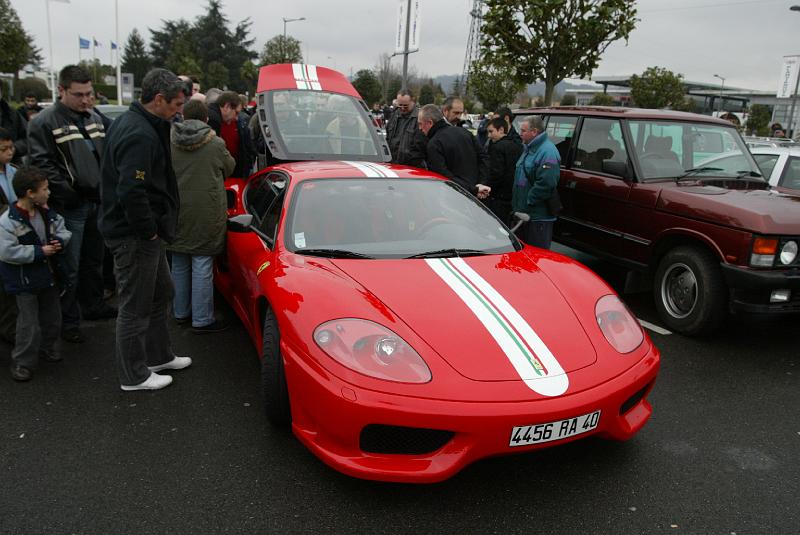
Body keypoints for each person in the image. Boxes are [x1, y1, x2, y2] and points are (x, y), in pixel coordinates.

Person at [99, 67, 190, 392]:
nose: (180, 111)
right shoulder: (138, 133)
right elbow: (130, 191)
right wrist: (148, 230)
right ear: (158, 99)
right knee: (135, 304)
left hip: (144, 232)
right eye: (176, 104)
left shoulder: (144, 123)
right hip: (134, 235)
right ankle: (134, 375)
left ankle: (158, 355)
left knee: (161, 292)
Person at [27, 65, 116, 344]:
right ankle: (68, 322)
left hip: (97, 203)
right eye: (79, 95)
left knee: (94, 260)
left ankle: (93, 305)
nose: (86, 100)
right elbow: (43, 165)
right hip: (71, 207)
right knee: (70, 266)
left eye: (89, 93)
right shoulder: (44, 122)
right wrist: (70, 195)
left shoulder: (95, 116)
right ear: (61, 90)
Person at [167, 99, 234, 333]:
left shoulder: (169, 140)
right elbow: (230, 167)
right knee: (202, 264)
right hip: (206, 210)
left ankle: (180, 311)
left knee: (179, 263)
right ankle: (202, 318)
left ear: (183, 116)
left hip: (177, 210)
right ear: (206, 118)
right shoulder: (214, 143)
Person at [0, 167, 71, 381]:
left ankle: (49, 347)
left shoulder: (46, 212)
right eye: (44, 189)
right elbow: (6, 251)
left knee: (52, 317)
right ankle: (23, 362)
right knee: (28, 324)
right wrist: (40, 251)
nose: (48, 193)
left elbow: (63, 229)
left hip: (47, 276)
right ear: (30, 193)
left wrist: (61, 240)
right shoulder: (8, 221)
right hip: (24, 280)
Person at [417, 104, 489, 198]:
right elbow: (484, 158)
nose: (420, 128)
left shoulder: (434, 144)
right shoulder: (465, 132)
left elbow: (444, 176)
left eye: (420, 124)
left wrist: (473, 189)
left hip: (454, 197)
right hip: (476, 195)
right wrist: (481, 183)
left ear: (430, 123)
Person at [512, 115, 561, 249]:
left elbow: (547, 183)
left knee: (536, 258)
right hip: (525, 215)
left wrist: (529, 202)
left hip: (537, 218)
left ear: (534, 132)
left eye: (523, 131)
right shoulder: (528, 149)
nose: (519, 134)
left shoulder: (548, 152)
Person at [0, 128, 19, 345]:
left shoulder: (14, 170)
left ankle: (11, 330)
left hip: (15, 235)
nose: (9, 152)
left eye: (11, 147)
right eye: (3, 149)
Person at [208, 91, 255, 178]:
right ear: (227, 106)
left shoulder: (214, 116)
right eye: (236, 113)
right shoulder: (213, 121)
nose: (236, 118)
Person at [485, 117, 523, 224]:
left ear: (501, 130)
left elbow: (496, 173)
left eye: (491, 131)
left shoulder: (497, 147)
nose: (489, 135)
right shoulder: (517, 145)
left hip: (499, 197)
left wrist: (488, 188)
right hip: (512, 194)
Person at [385, 90, 427, 168]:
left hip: (411, 168)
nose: (403, 108)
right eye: (400, 105)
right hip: (392, 165)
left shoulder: (420, 118)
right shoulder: (394, 115)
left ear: (413, 101)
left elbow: (422, 146)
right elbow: (387, 138)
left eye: (406, 106)